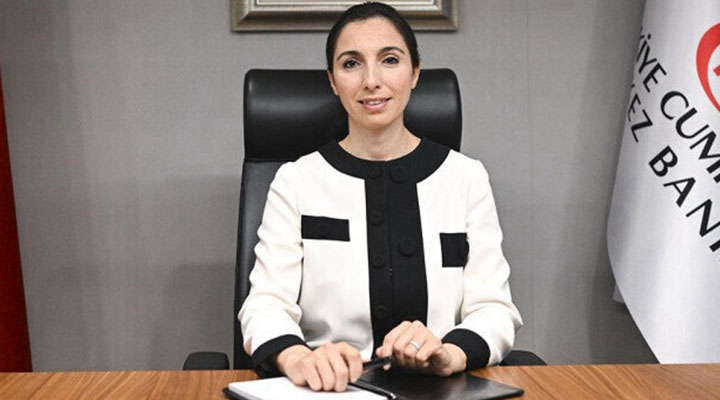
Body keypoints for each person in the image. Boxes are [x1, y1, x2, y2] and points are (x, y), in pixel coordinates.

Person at [238, 1, 522, 393]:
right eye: (351, 64)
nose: (371, 80)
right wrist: (300, 359)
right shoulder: (296, 181)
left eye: (390, 60)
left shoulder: (466, 178)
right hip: (329, 390)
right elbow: (265, 304)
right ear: (333, 81)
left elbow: (494, 309)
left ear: (415, 72)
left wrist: (449, 354)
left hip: (442, 390)